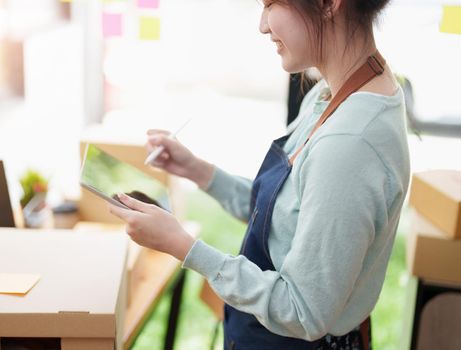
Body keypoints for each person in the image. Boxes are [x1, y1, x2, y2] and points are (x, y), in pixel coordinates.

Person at [108, 0, 410, 348]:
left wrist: (183, 246)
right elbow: (284, 216)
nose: (263, 25)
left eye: (270, 4)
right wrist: (196, 169)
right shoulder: (338, 90)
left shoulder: (350, 143)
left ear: (329, 4)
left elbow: (303, 311)